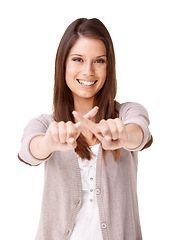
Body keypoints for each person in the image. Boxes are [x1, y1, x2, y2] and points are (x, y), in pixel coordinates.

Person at [18, 18, 153, 240]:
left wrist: (124, 135)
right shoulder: (46, 125)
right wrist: (48, 143)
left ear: (109, 66)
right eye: (78, 59)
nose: (88, 71)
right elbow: (28, 151)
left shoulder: (127, 113)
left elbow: (141, 133)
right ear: (63, 64)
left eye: (99, 61)